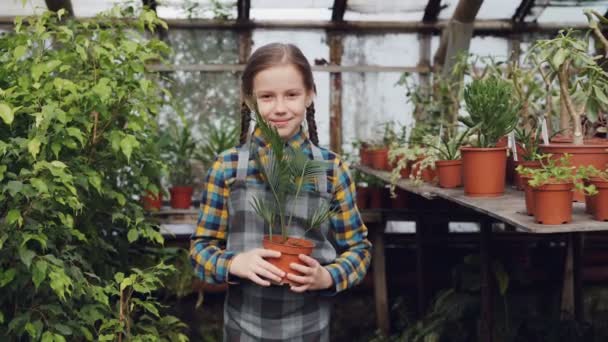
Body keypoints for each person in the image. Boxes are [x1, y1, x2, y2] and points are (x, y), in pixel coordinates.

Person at [190, 42, 372, 341]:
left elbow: (359, 250)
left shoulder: (330, 169)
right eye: (266, 97)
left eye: (292, 95)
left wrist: (327, 276)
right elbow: (200, 251)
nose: (280, 108)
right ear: (249, 100)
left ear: (310, 95)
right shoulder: (228, 168)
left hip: (310, 329)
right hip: (242, 330)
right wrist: (235, 263)